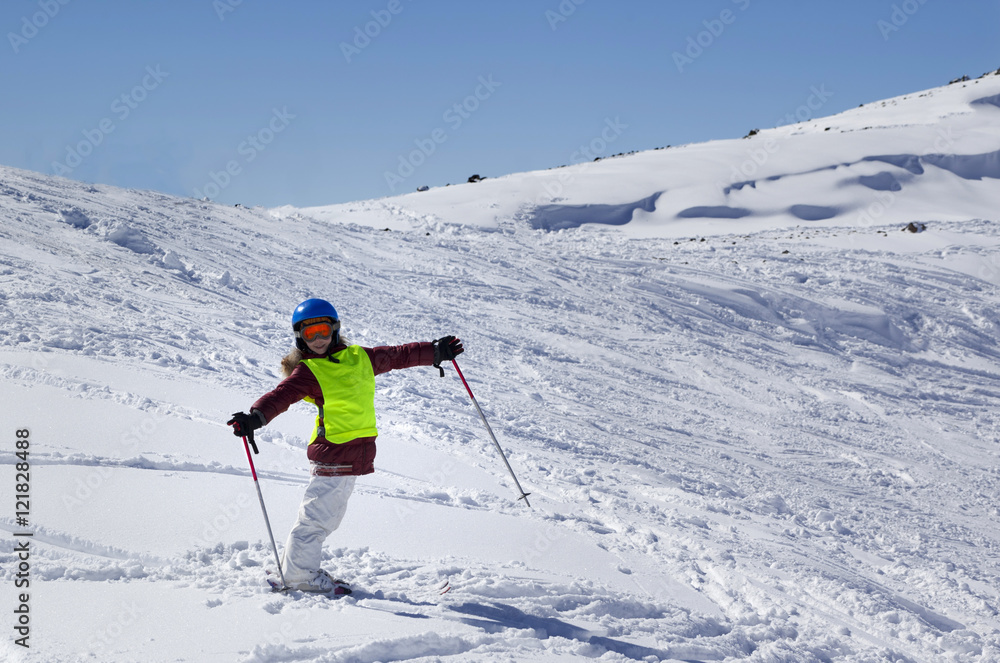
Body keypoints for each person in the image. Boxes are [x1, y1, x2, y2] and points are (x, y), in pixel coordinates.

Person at [227, 298, 463, 592]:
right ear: (300, 337)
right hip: (334, 454)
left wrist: (434, 351)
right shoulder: (309, 371)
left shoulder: (360, 357)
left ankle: (293, 567)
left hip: (350, 455)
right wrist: (255, 417)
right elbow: (281, 395)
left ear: (335, 330)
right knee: (318, 519)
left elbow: (399, 355)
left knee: (323, 517)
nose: (318, 340)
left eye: (323, 331)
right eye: (310, 334)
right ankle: (299, 575)